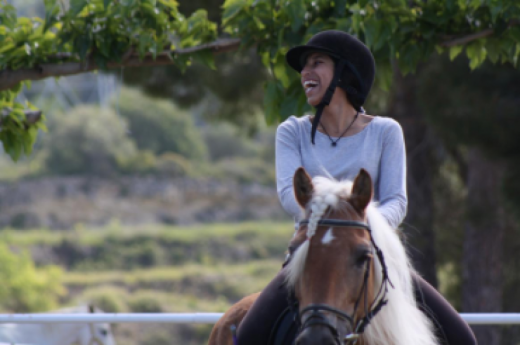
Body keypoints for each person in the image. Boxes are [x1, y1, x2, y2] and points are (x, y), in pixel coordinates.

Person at [236, 30, 477, 345]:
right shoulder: (291, 132)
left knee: (463, 338)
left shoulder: (385, 131)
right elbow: (288, 196)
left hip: (371, 254)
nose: (305, 73)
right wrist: (334, 220)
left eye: (317, 63)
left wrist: (360, 226)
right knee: (247, 336)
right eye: (304, 66)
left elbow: (396, 202)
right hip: (309, 257)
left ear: (345, 73)